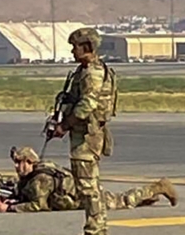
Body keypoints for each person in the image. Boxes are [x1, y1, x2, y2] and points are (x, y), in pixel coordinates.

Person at [51, 27, 118, 235]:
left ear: (87, 47)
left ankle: (95, 230)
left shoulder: (92, 72)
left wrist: (65, 125)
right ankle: (97, 227)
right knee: (86, 186)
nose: (72, 52)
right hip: (83, 133)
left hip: (87, 136)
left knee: (88, 188)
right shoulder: (83, 71)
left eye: (75, 47)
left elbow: (87, 104)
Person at [0, 146, 178, 213]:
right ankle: (148, 198)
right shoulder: (31, 176)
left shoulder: (40, 180)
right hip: (79, 194)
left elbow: (39, 205)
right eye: (15, 162)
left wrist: (10, 208)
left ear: (29, 162)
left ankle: (158, 187)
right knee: (122, 201)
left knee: (122, 201)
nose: (16, 166)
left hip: (84, 197)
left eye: (19, 162)